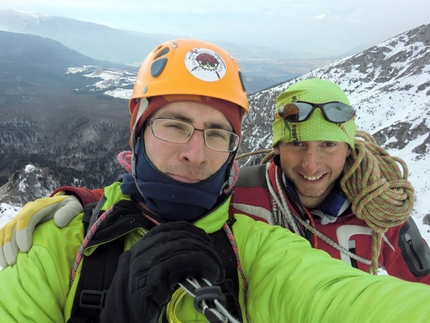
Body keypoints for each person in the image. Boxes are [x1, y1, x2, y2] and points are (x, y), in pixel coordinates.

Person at [1, 40, 430, 323]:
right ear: (138, 133)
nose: (194, 152)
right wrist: (86, 204)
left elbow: (341, 300)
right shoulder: (61, 246)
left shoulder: (258, 247)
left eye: (217, 134)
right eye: (173, 125)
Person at [230, 78, 430, 282]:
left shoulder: (380, 211)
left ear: (348, 149)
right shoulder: (237, 196)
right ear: (277, 148)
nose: (311, 165)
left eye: (328, 144)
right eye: (297, 143)